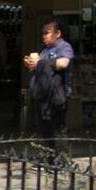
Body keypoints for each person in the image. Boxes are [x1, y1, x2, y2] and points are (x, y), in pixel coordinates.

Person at [24, 20, 74, 155]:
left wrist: (41, 63)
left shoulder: (64, 47)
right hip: (43, 95)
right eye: (42, 33)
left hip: (57, 95)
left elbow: (63, 63)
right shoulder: (45, 50)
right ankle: (48, 157)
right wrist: (32, 64)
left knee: (58, 128)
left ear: (57, 33)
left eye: (47, 33)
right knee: (44, 127)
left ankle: (61, 159)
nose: (44, 36)